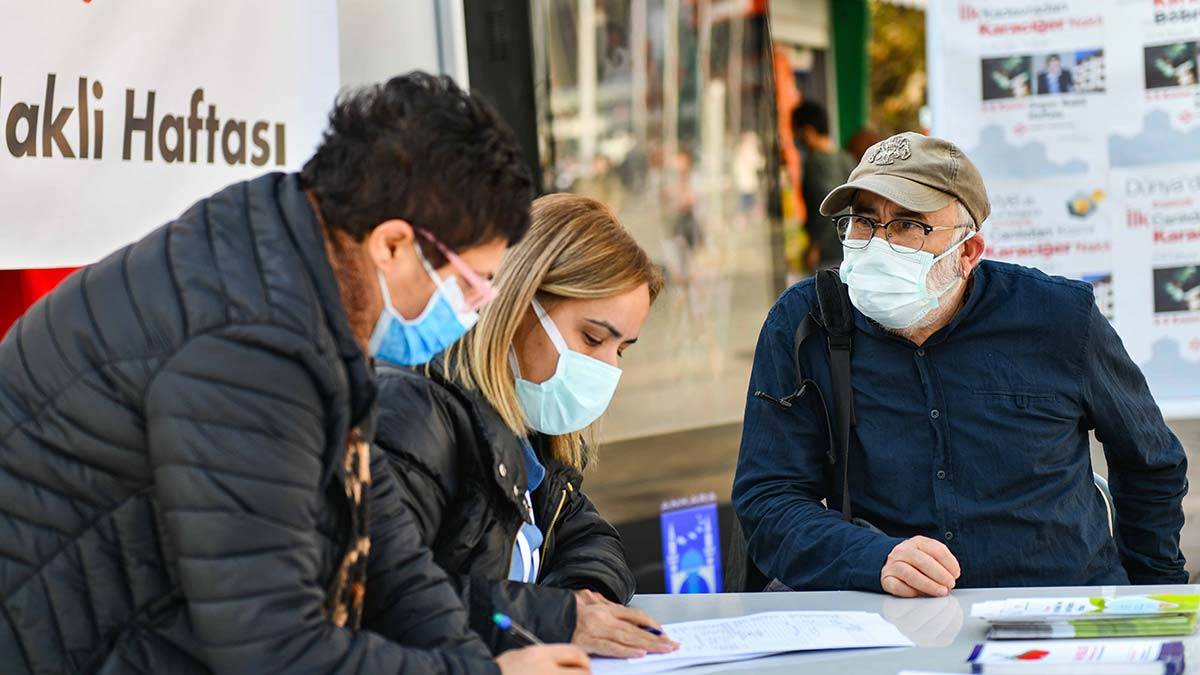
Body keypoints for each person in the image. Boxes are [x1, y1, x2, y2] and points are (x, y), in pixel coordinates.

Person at [0, 72, 589, 674]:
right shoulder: (249, 343)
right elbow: (272, 649)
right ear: (391, 245)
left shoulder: (303, 280)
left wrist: (468, 660)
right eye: (473, 281)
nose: (481, 305)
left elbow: (392, 562)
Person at [733, 132, 1188, 598]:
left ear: (967, 253)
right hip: (893, 618)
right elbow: (768, 498)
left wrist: (1156, 599)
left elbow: (1151, 461)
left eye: (909, 225)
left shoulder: (1058, 317)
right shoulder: (803, 323)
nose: (878, 245)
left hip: (1060, 604)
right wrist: (872, 558)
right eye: (864, 222)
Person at [373, 194, 675, 658]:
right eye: (592, 337)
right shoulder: (416, 416)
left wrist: (583, 602)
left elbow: (590, 540)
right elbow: (388, 601)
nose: (606, 366)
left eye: (622, 349)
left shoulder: (523, 428)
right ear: (517, 304)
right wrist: (556, 618)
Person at [792, 101, 857, 271]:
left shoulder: (815, 162)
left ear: (808, 131)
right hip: (853, 245)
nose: (795, 138)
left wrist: (814, 246)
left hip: (828, 251)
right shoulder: (846, 157)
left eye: (796, 132)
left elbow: (824, 207)